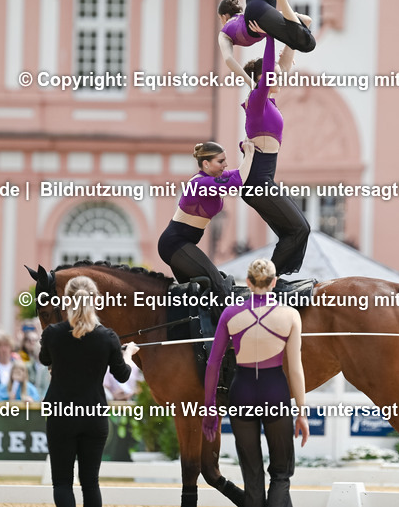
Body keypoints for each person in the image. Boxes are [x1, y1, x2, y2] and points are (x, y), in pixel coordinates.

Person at [203, 259, 308, 507]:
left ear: (248, 282)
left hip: (242, 393)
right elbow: (295, 367)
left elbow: (213, 364)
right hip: (275, 392)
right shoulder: (290, 315)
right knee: (281, 474)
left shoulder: (230, 313)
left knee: (252, 478)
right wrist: (302, 412)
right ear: (274, 282)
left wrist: (210, 408)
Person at [41, 275, 138, 507]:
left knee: (62, 483)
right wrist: (128, 354)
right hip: (93, 415)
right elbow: (123, 375)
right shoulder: (108, 337)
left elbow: (45, 359)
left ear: (66, 300)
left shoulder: (52, 333)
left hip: (61, 413)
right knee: (90, 483)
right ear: (95, 300)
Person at [225, 33, 309, 277]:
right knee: (300, 229)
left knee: (294, 231)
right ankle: (268, 282)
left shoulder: (269, 102)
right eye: (272, 74)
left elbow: (283, 63)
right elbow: (273, 64)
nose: (279, 77)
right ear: (262, 78)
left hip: (263, 180)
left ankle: (273, 280)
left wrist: (294, 32)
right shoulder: (257, 99)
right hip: (256, 182)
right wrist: (271, 35)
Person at [157, 140, 256, 305]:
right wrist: (250, 154)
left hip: (182, 244)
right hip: (174, 244)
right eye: (220, 161)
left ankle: (194, 329)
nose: (225, 164)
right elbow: (236, 183)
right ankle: (223, 328)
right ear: (206, 163)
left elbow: (238, 174)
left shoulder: (212, 178)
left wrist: (251, 154)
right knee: (216, 283)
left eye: (225, 160)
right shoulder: (200, 183)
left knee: (195, 294)